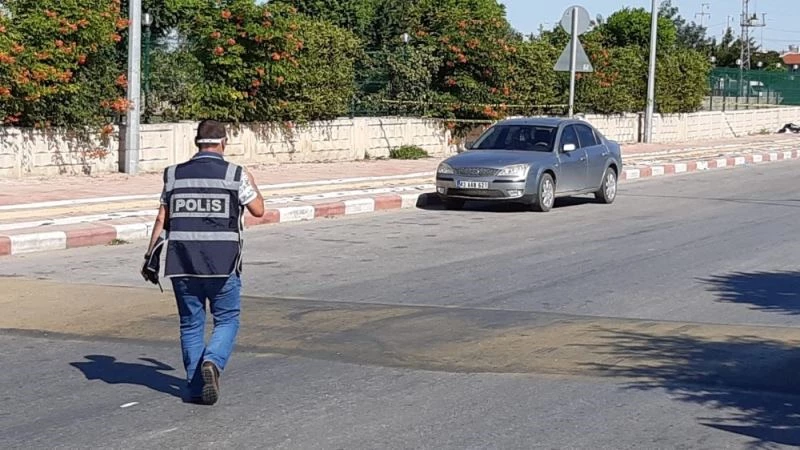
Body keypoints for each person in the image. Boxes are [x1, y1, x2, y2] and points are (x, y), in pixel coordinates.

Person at [141, 119, 265, 405]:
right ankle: (213, 361)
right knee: (227, 318)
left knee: (190, 324)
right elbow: (258, 210)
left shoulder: (173, 174)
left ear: (196, 142)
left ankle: (196, 387)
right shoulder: (235, 174)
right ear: (223, 142)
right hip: (222, 263)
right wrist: (253, 182)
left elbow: (163, 218)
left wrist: (149, 258)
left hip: (182, 262)